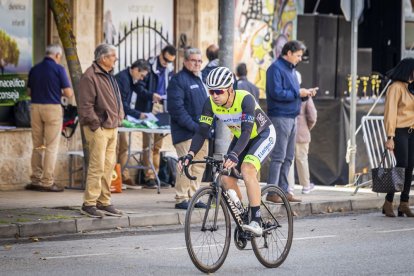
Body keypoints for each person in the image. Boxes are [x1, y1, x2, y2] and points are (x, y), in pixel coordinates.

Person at [179, 67, 276, 236]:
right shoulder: (210, 104)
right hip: (241, 137)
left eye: (218, 91)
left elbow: (247, 131)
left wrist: (234, 154)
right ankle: (244, 216)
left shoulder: (245, 99)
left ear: (230, 89)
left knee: (247, 169)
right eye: (211, 91)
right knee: (225, 177)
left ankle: (256, 219)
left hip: (262, 135)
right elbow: (202, 131)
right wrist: (189, 155)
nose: (214, 95)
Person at [265, 40, 317, 203]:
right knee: (279, 156)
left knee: (288, 156)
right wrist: (297, 92)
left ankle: (284, 190)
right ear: (288, 53)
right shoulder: (275, 69)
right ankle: (272, 192)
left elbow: (292, 94)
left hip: (292, 117)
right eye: (298, 55)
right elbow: (277, 93)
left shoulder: (291, 70)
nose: (300, 59)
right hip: (280, 117)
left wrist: (305, 94)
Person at [77, 43, 125, 218]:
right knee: (97, 167)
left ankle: (104, 202)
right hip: (99, 128)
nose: (116, 59)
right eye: (113, 56)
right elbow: (85, 106)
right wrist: (96, 125)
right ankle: (89, 203)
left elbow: (116, 100)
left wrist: (119, 118)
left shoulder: (108, 75)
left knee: (108, 167)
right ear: (103, 58)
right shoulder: (90, 76)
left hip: (112, 127)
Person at [25, 44, 73, 192]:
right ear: (57, 55)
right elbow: (68, 93)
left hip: (35, 108)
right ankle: (47, 182)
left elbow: (28, 92)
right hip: (52, 108)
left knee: (38, 145)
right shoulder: (59, 69)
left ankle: (36, 179)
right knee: (51, 146)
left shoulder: (35, 69)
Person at [167, 47, 209, 209]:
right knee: (186, 164)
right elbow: (176, 109)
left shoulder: (200, 79)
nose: (197, 64)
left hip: (201, 132)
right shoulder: (178, 80)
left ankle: (193, 196)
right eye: (193, 60)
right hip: (186, 133)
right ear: (185, 61)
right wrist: (195, 127)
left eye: (199, 61)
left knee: (199, 164)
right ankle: (181, 197)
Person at [140, 45, 176, 188]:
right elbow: (141, 86)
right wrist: (151, 96)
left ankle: (156, 175)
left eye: (169, 61)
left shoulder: (170, 70)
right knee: (148, 143)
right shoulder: (149, 66)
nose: (166, 63)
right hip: (150, 105)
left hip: (163, 105)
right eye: (165, 59)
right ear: (160, 54)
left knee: (157, 144)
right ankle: (148, 176)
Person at [115, 59, 155, 188]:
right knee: (119, 147)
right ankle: (119, 176)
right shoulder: (123, 79)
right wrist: (138, 114)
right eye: (142, 75)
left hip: (122, 116)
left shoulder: (130, 78)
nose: (142, 78)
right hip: (116, 117)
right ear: (136, 69)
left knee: (124, 146)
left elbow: (140, 91)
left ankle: (123, 176)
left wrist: (152, 96)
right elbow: (122, 104)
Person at [382, 58, 414, 217]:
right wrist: (390, 136)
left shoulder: (410, 88)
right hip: (399, 131)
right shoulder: (395, 88)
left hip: (412, 131)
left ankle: (404, 203)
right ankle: (388, 202)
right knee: (402, 165)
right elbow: (390, 113)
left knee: (410, 167)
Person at [287, 97, 317, 195]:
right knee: (302, 159)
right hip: (302, 133)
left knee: (289, 160)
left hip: (288, 131)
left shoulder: (287, 94)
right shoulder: (305, 96)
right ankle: (306, 186)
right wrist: (307, 127)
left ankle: (289, 187)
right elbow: (312, 116)